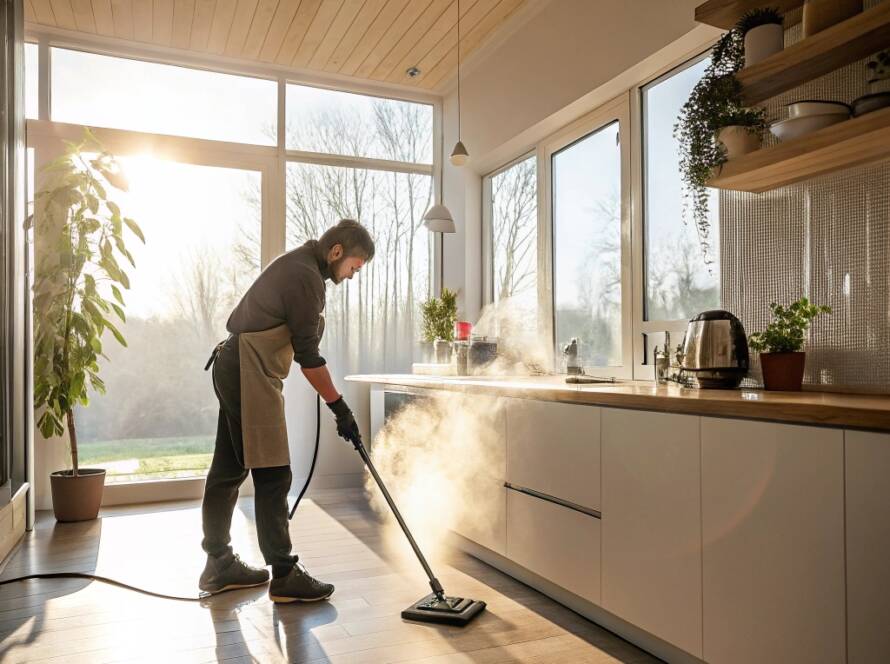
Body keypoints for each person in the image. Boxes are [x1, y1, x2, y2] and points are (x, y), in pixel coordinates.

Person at [199, 219, 374, 603]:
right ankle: (284, 574)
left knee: (228, 470)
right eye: (354, 267)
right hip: (247, 369)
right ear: (337, 252)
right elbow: (308, 357)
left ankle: (219, 565)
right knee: (274, 473)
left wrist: (337, 407)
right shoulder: (305, 277)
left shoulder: (303, 267)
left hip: (237, 365)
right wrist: (340, 407)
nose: (352, 275)